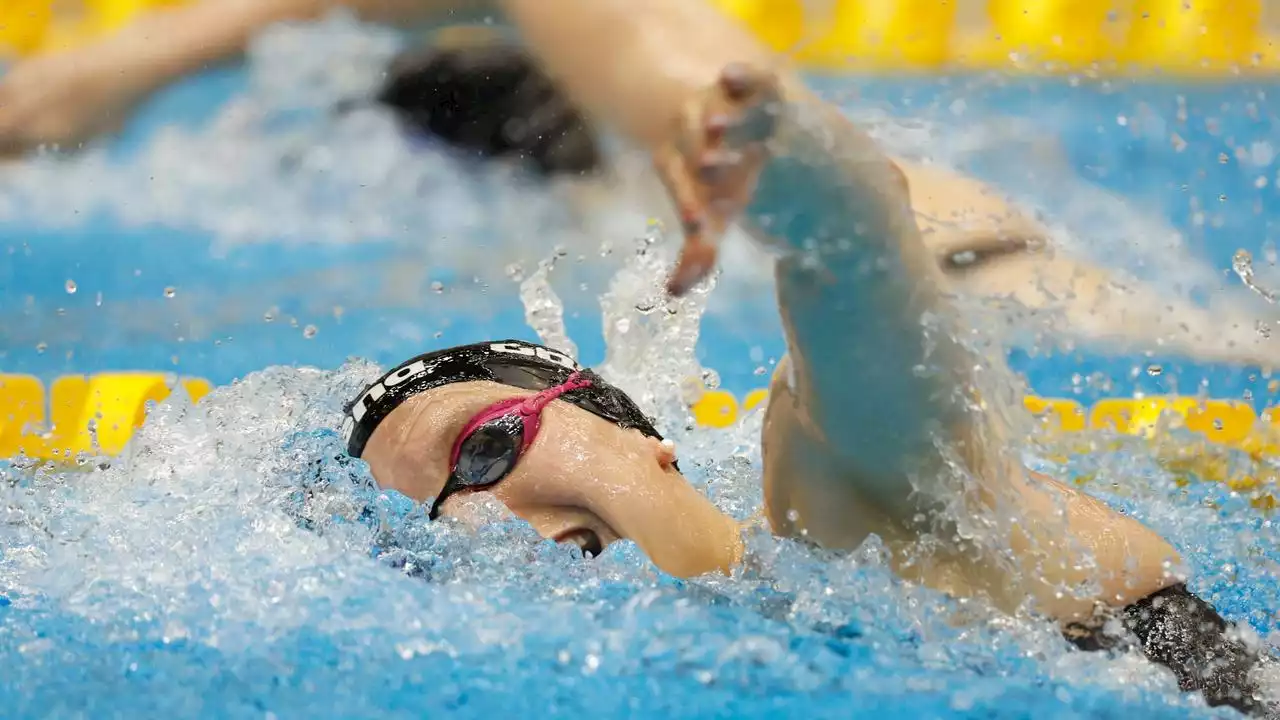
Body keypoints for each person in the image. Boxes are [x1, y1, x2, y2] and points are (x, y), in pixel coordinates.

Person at [3, 0, 1274, 714]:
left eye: (484, 447)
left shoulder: (862, 513)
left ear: (629, 420)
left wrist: (745, 137)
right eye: (422, 540)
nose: (484, 525)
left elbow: (849, 241)